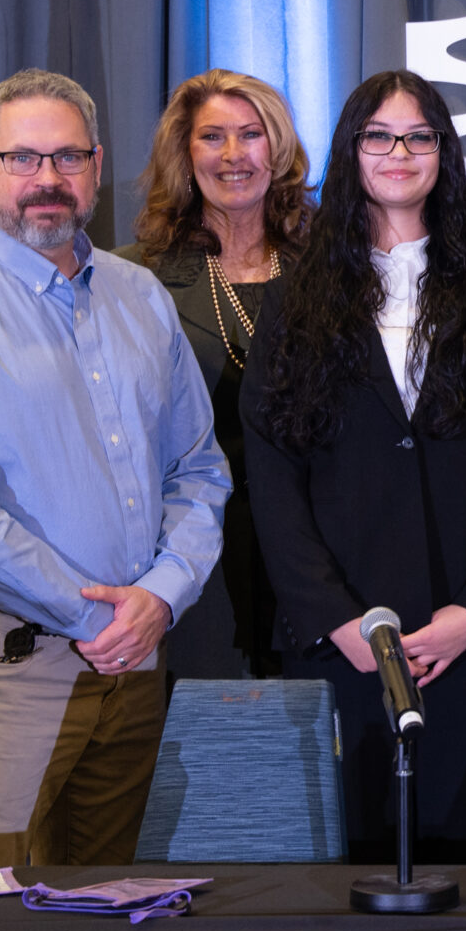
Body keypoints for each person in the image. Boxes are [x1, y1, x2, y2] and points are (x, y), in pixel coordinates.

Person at [0, 68, 229, 866]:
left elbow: (198, 468)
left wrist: (162, 594)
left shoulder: (141, 297)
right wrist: (96, 617)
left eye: (67, 157)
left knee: (108, 905)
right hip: (3, 665)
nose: (47, 179)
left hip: (135, 660)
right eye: (22, 158)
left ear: (97, 166)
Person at [242, 71, 466, 862]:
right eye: (379, 136)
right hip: (340, 642)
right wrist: (339, 620)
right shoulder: (292, 301)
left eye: (419, 136)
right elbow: (273, 479)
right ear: (351, 151)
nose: (399, 152)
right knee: (341, 877)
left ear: (443, 153)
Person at [119, 69, 314, 681]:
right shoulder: (132, 280)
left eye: (251, 134)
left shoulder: (333, 272)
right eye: (212, 137)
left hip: (314, 569)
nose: (233, 155)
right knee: (207, 739)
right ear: (184, 154)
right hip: (187, 569)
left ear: (278, 148)